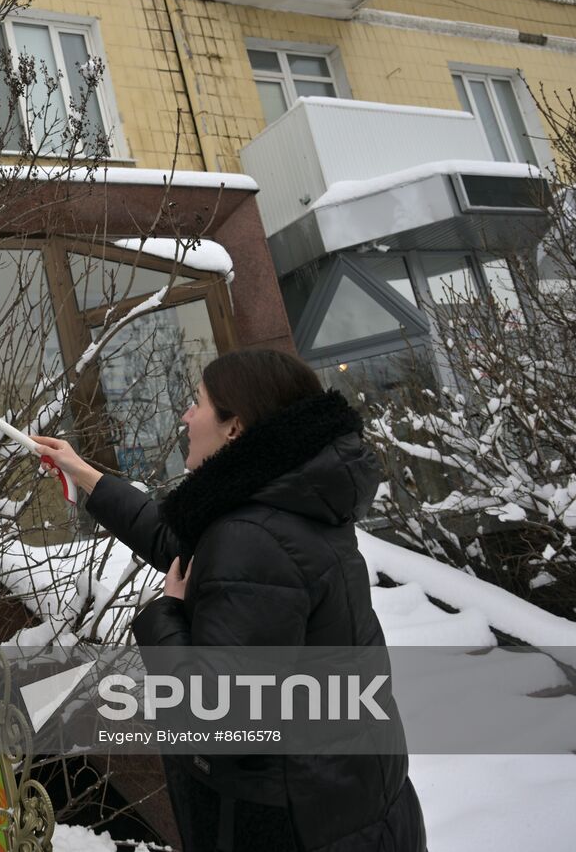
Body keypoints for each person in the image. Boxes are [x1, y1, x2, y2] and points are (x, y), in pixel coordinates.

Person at [35, 348, 426, 852]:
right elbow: (177, 539)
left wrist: (164, 617)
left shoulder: (250, 539)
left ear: (234, 428)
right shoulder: (283, 504)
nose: (185, 416)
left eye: (197, 403)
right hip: (354, 806)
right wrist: (83, 472)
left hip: (302, 828)